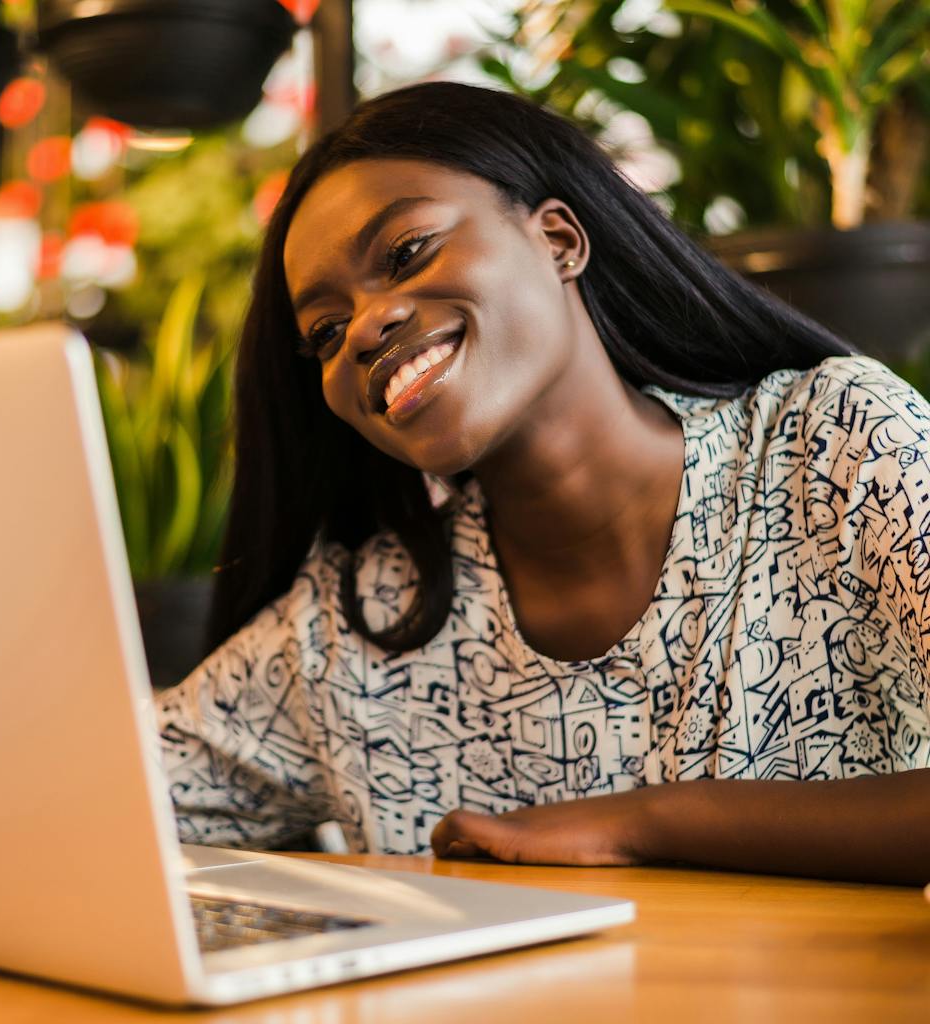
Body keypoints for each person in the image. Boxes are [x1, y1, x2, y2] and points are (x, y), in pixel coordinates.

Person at [156, 81, 930, 885]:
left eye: (406, 252)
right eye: (323, 330)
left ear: (559, 238)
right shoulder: (355, 625)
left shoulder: (834, 449)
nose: (363, 327)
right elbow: (99, 793)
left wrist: (647, 822)